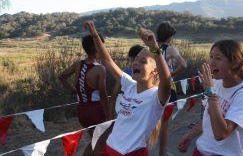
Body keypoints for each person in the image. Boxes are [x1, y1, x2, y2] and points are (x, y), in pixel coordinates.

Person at [84, 20, 171, 156]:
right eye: (136, 59)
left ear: (154, 71)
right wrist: (95, 35)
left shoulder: (156, 96)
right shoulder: (130, 85)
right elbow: (107, 61)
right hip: (109, 149)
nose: (136, 62)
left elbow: (166, 81)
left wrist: (154, 48)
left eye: (142, 61)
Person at [177, 40, 243, 156]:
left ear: (235, 63)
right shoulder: (216, 83)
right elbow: (208, 118)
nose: (211, 63)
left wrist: (211, 93)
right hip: (201, 150)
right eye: (211, 57)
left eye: (218, 58)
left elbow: (221, 134)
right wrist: (189, 135)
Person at [59, 34, 109, 156]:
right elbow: (103, 96)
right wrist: (109, 116)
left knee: (96, 141)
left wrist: (73, 90)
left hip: (82, 111)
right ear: (98, 49)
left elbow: (62, 77)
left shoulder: (77, 64)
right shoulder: (100, 69)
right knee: (100, 143)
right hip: (96, 112)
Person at [156, 22, 187, 156]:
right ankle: (162, 153)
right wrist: (171, 74)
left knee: (151, 121)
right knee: (166, 124)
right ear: (169, 36)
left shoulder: (152, 48)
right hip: (168, 87)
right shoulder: (169, 49)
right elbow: (183, 65)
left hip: (153, 87)